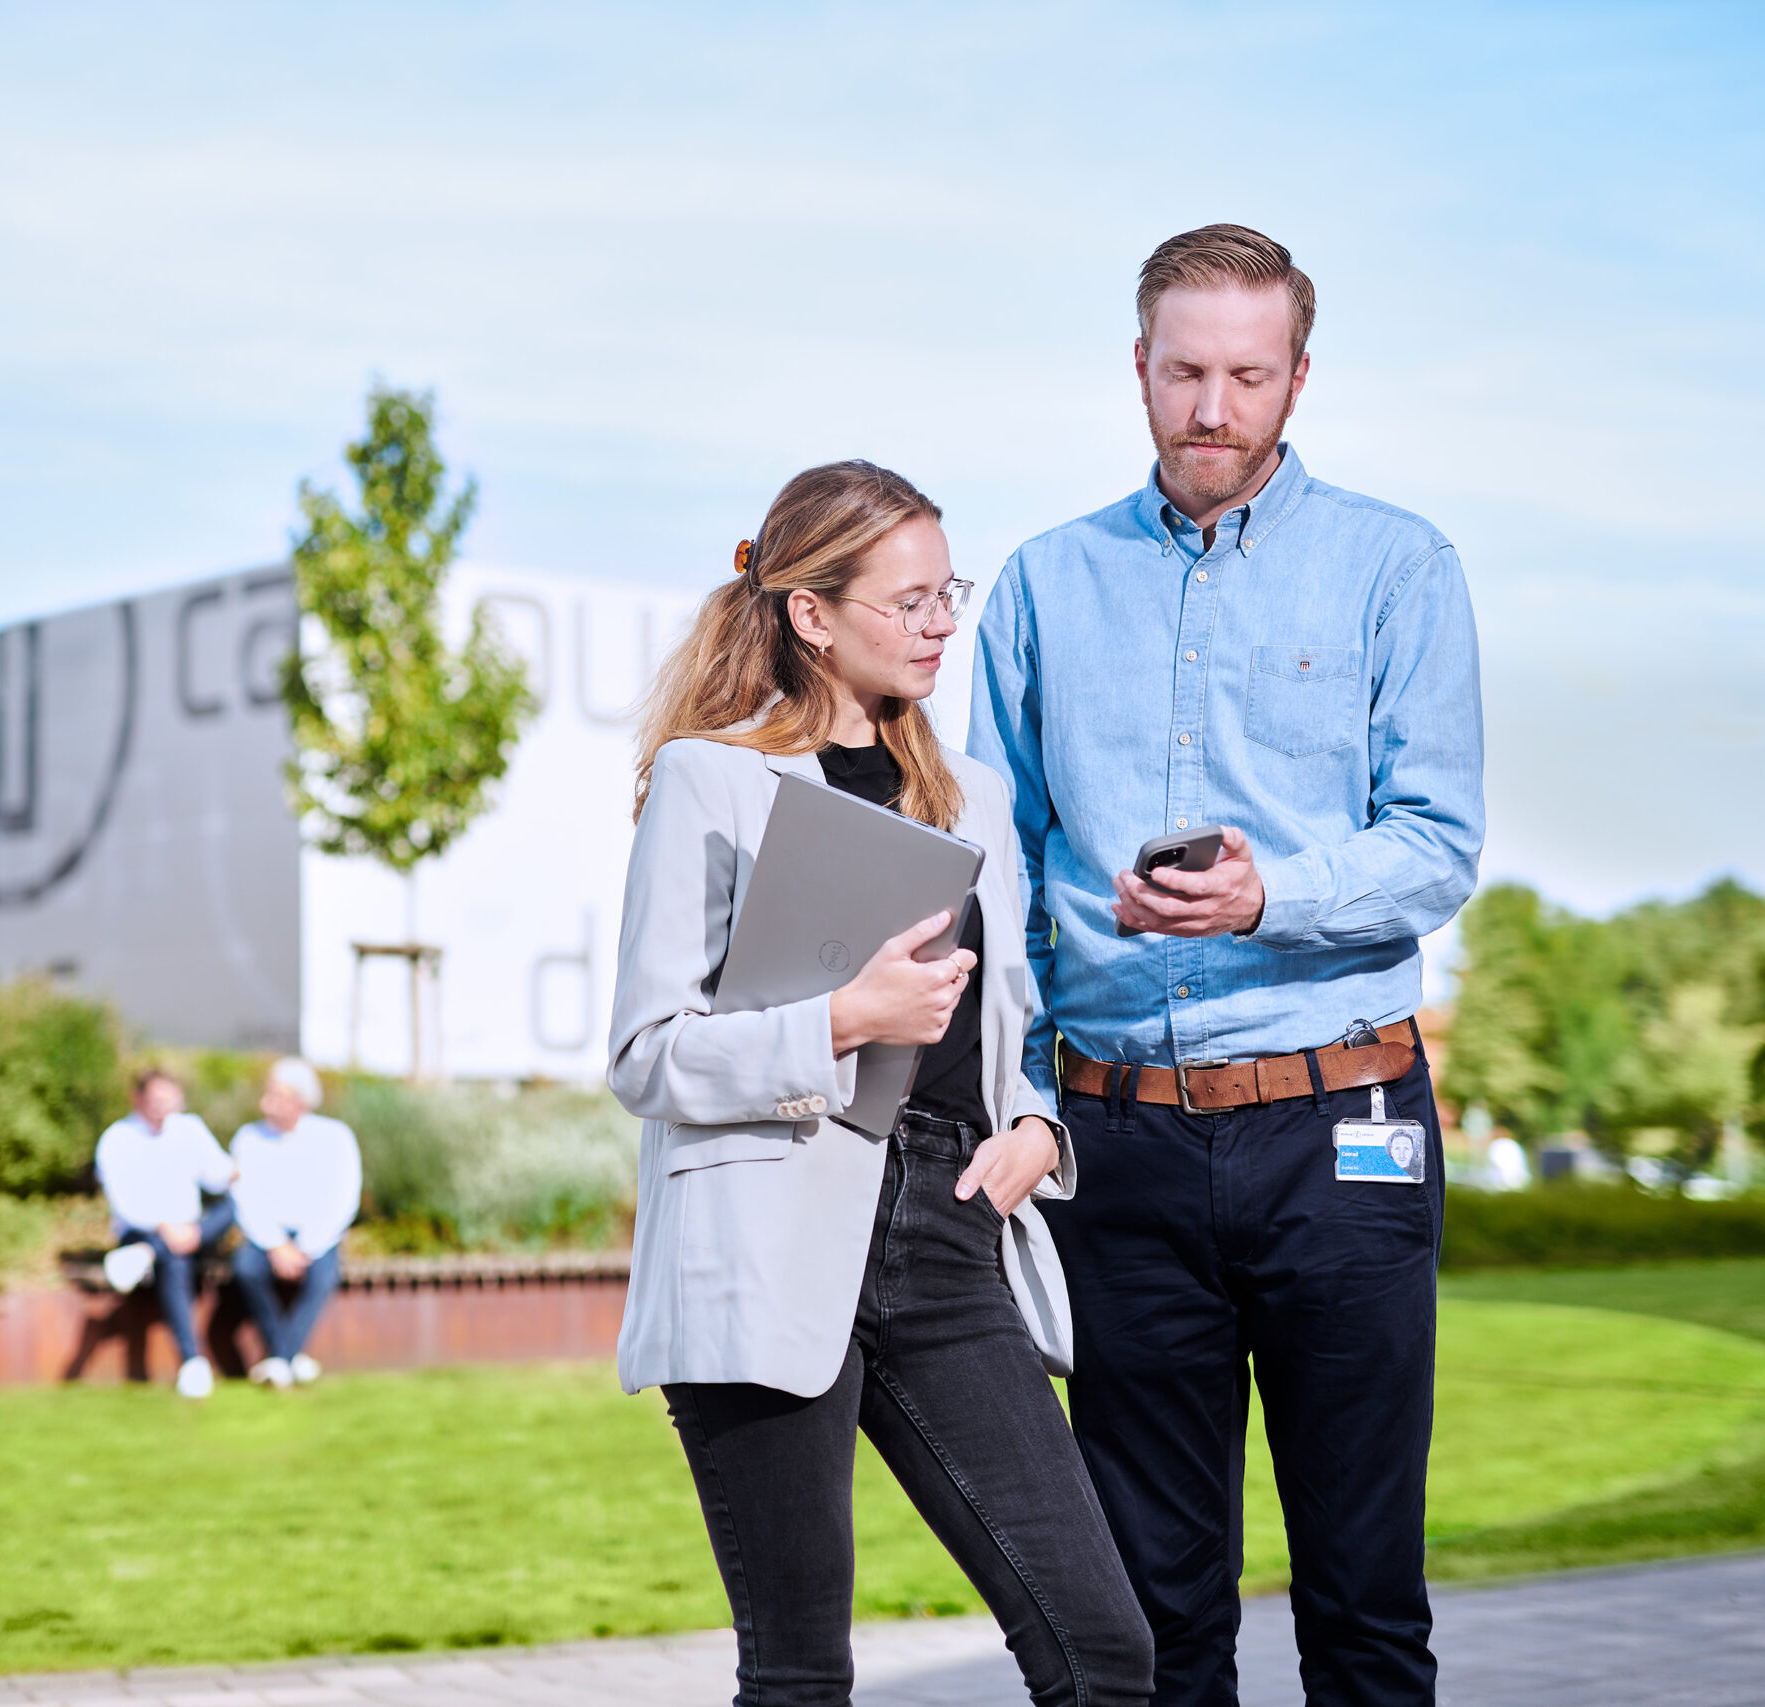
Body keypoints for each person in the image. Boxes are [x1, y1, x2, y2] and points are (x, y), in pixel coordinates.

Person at [967, 224, 1485, 1707]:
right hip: (1116, 1144)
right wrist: (1024, 1092)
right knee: (1152, 1613)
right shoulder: (1045, 586)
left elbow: (1441, 841)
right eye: (1184, 370)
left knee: (1365, 1597)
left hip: (1344, 1130)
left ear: (1299, 376)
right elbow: (993, 880)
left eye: (1248, 375)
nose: (1213, 408)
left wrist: (1273, 895)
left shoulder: (1397, 566)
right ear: (1137, 365)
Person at [611, 460, 1155, 1707]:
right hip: (765, 1235)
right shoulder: (712, 779)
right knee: (799, 1675)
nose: (937, 623)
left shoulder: (975, 795)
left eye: (944, 594)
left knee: (1102, 1650)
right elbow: (646, 1053)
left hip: (949, 1232)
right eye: (905, 600)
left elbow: (1009, 1020)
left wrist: (1033, 1123)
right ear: (811, 612)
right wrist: (843, 1020)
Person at [95, 1066, 238, 1399]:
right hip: (141, 1233)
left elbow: (216, 1175)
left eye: (169, 1099)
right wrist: (164, 1228)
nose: (163, 1106)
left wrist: (234, 1171)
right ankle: (192, 1361)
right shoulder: (117, 1138)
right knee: (174, 1258)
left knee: (230, 1208)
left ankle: (148, 1255)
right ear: (138, 1098)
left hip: (190, 1233)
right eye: (156, 1098)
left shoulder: (189, 1129)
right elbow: (124, 1204)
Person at [227, 1057, 362, 1390]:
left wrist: (307, 1246)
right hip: (267, 1237)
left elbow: (343, 1197)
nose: (265, 1101)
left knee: (323, 1276)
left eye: (275, 1094)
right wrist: (275, 1245)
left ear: (299, 1102)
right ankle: (288, 1358)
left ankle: (280, 1359)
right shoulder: (249, 1138)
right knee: (246, 1269)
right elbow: (245, 1197)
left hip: (317, 1237)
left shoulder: (335, 1136)